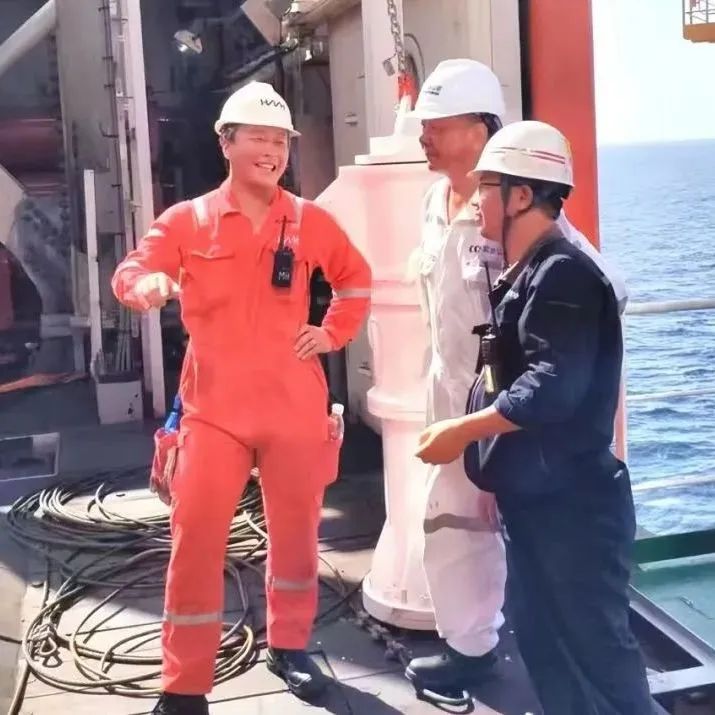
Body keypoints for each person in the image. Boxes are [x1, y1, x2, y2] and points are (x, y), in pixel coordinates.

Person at [112, 81, 372, 715]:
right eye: (258, 137)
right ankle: (184, 687)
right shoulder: (187, 221)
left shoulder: (310, 222)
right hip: (214, 412)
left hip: (294, 408)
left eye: (281, 141)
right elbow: (130, 272)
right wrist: (147, 287)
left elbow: (356, 279)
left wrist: (331, 332)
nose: (272, 151)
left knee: (298, 537)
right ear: (226, 143)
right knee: (195, 541)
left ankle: (290, 646)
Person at [415, 120, 660, 715]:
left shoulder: (563, 274)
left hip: (574, 509)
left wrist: (462, 431)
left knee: (597, 652)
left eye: (487, 186)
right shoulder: (527, 271)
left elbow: (552, 387)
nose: (476, 199)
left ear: (521, 195)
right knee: (546, 642)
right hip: (539, 501)